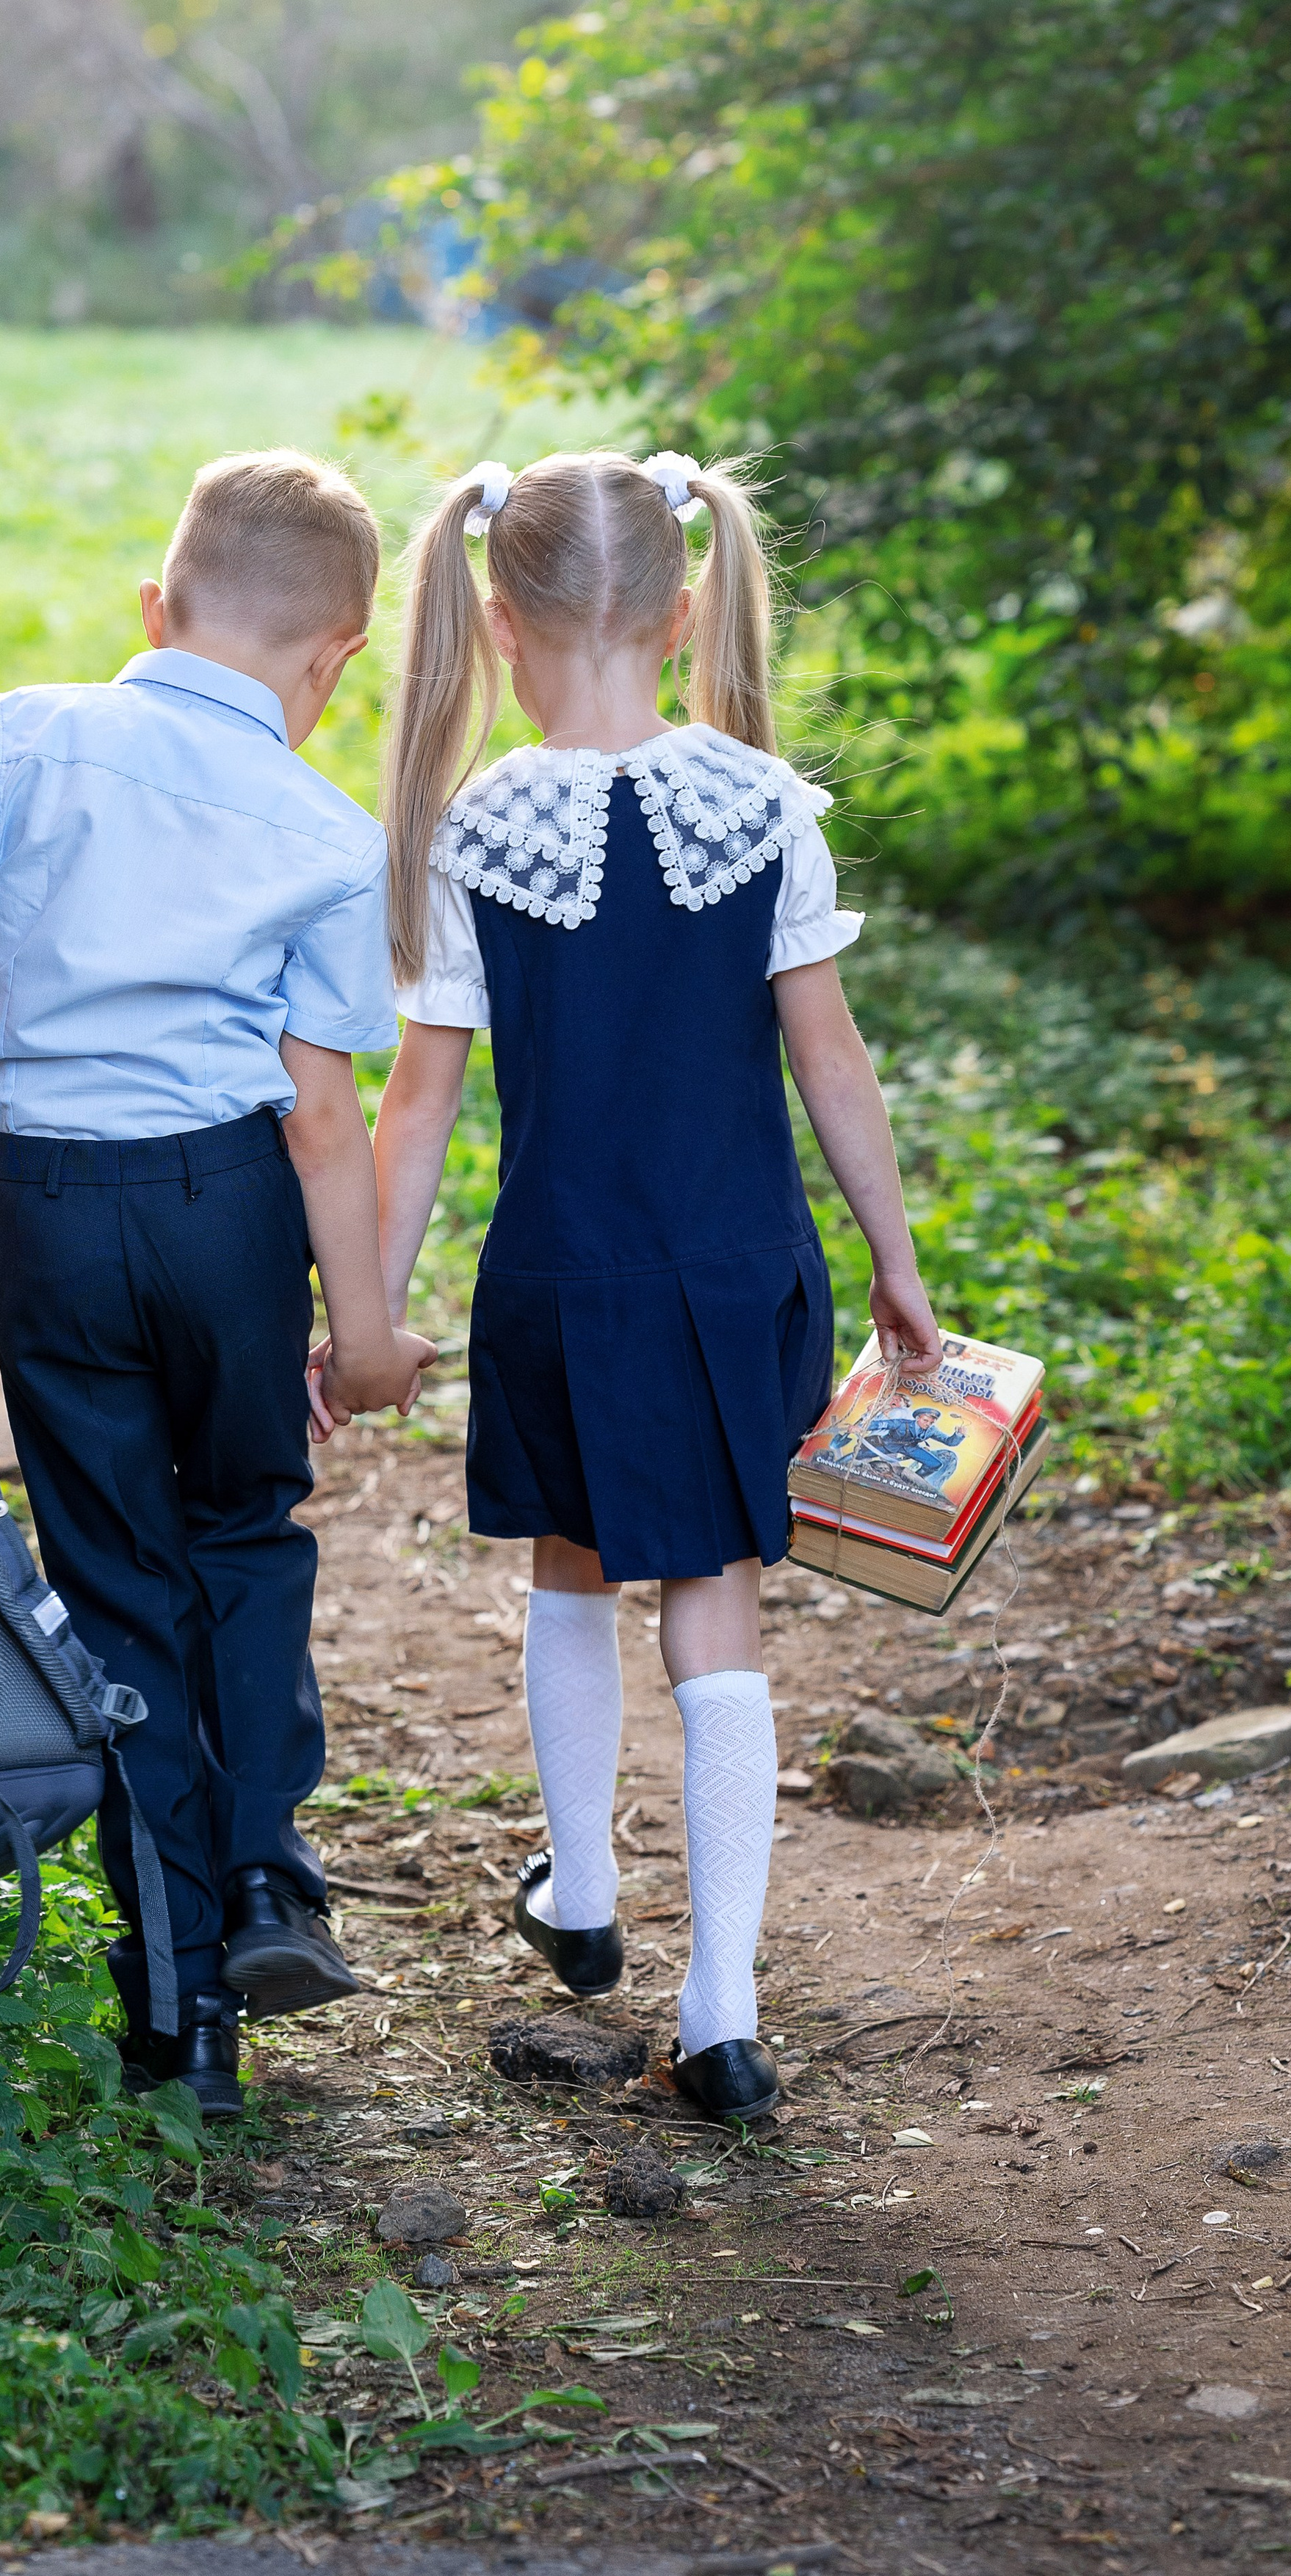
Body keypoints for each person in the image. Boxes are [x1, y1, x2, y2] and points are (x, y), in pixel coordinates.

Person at [0, 447, 435, 2118]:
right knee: (243, 1529)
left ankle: (175, 2017)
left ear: (154, 607)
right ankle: (261, 1877)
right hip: (228, 1205)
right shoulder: (323, 825)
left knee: (112, 1572)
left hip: (56, 1216)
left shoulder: (21, 736)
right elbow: (317, 1108)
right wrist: (360, 1327)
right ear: (336, 657)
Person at [366, 447, 941, 2126]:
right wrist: (894, 1267)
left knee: (573, 1558)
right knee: (713, 1596)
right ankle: (723, 2004)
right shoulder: (764, 809)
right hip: (735, 1262)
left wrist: (364, 1315)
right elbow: (829, 1061)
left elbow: (418, 1106)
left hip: (559, 1267)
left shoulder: (476, 826)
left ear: (495, 617)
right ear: (687, 603)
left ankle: (587, 1896)